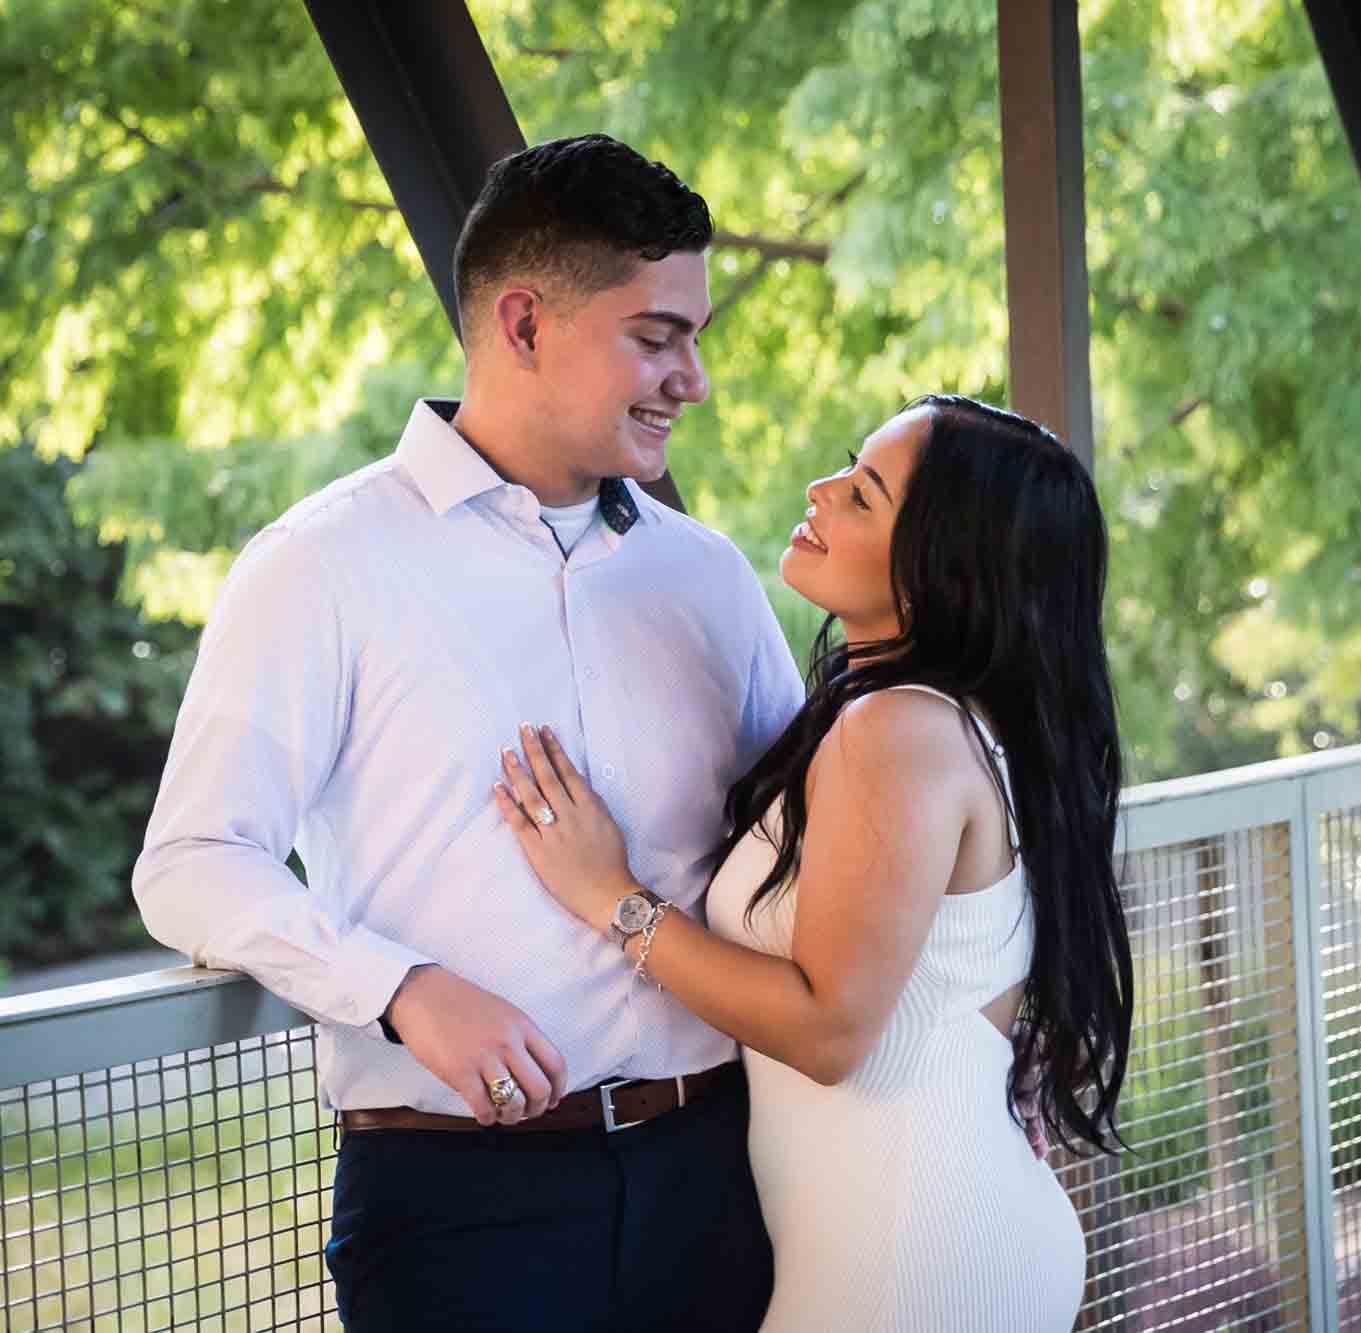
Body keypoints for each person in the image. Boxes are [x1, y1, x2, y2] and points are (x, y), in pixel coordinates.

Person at [132, 135, 805, 1332]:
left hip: (724, 1176)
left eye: (693, 339)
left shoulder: (707, 576)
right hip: (457, 1209)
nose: (690, 380)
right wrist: (401, 989)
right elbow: (190, 864)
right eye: (655, 337)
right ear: (524, 323)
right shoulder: (319, 567)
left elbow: (816, 847)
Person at [495, 394, 1136, 1332]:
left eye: (864, 494)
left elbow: (831, 1030)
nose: (821, 490)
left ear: (940, 566)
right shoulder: (937, 718)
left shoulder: (902, 728)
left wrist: (613, 898)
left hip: (910, 1252)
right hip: (914, 1231)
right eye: (847, 466)